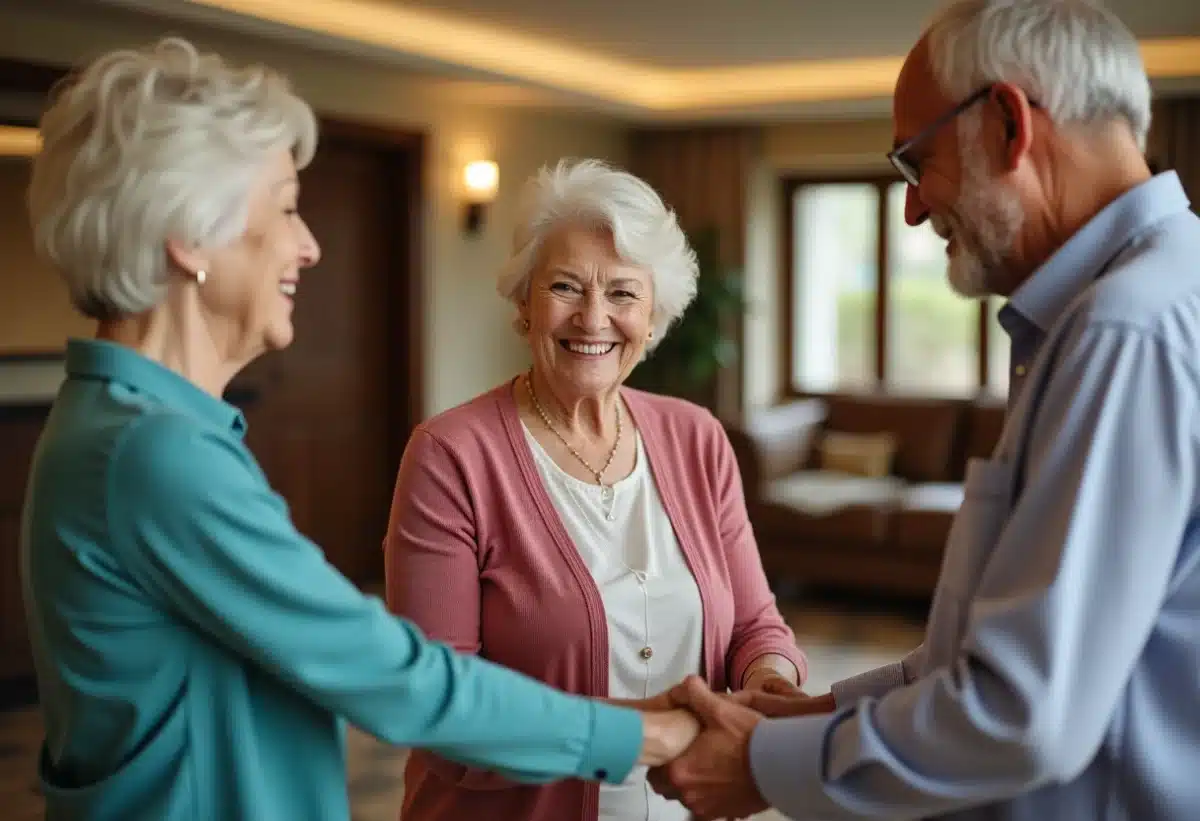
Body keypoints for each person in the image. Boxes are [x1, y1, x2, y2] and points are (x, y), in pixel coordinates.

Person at [18, 37, 701, 821]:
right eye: (283, 207)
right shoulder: (152, 450)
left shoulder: (115, 422)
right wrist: (646, 733)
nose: (308, 245)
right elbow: (394, 675)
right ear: (190, 235)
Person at [650, 0, 1200, 819]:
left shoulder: (1123, 330)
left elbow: (1021, 713)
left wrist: (763, 762)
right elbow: (996, 647)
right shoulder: (1142, 300)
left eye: (917, 160)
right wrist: (816, 714)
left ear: (1009, 124)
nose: (911, 208)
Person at [382, 158, 806, 821]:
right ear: (524, 302)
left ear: (655, 314)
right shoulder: (451, 456)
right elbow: (439, 712)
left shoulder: (697, 438)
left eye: (622, 293)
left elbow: (755, 625)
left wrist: (769, 686)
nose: (593, 317)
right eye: (565, 286)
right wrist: (647, 730)